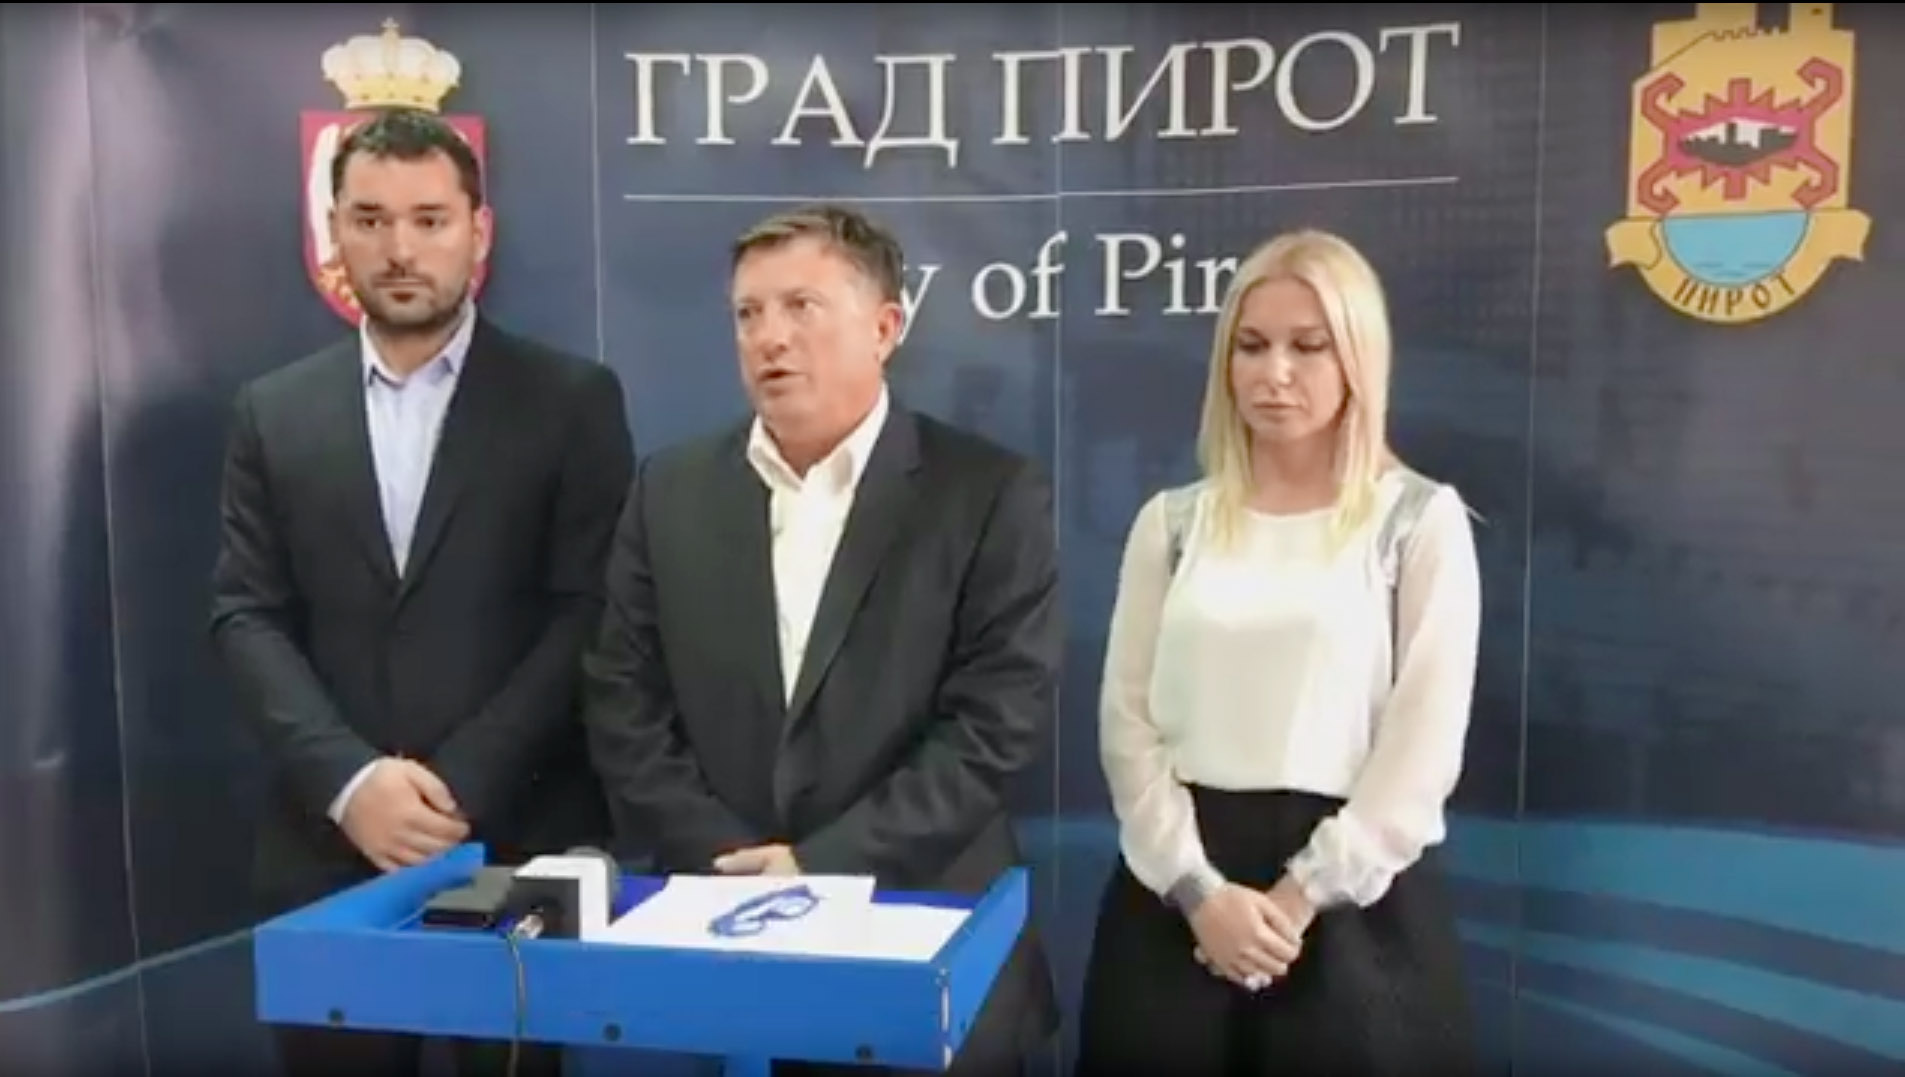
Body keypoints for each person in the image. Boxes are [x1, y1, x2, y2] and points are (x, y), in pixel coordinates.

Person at [581, 203, 1062, 1076]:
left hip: (922, 942)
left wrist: (816, 866)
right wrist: (731, 862)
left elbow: (997, 724)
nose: (769, 336)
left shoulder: (986, 493)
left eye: (801, 306)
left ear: (884, 327)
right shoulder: (670, 489)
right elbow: (624, 696)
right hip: (719, 941)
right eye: (748, 313)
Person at [209, 107, 634, 1077]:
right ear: (335, 234)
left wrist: (454, 789)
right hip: (326, 851)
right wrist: (353, 785)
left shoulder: (571, 401)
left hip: (514, 843)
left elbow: (593, 612)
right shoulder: (272, 412)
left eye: (429, 219)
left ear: (479, 232)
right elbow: (245, 613)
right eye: (370, 219)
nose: (400, 248)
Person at [1073, 229, 1482, 1075]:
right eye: (1251, 346)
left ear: (1357, 356)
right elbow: (1126, 723)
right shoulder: (1172, 524)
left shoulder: (1417, 521)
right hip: (1175, 907)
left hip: (1354, 920)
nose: (1274, 372)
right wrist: (1198, 891)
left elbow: (1421, 748)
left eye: (1308, 345)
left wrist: (1296, 901)